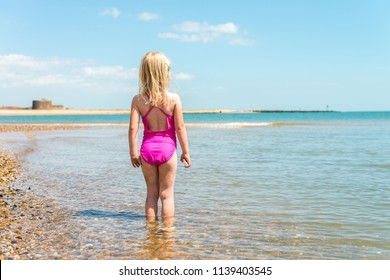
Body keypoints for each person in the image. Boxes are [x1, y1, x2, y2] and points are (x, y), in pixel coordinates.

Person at [128, 52, 191, 221]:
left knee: (151, 193)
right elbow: (180, 127)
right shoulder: (174, 99)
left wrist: (133, 153)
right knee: (167, 195)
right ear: (165, 73)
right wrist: (185, 152)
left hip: (147, 150)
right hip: (168, 150)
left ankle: (151, 232)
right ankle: (168, 234)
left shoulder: (138, 100)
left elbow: (133, 127)